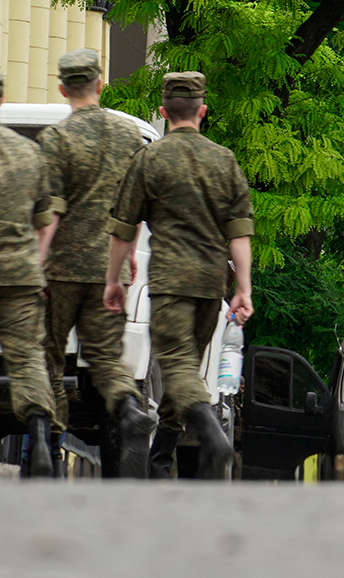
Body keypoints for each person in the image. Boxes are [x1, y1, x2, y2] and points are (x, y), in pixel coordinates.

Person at [103, 71, 254, 480]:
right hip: (210, 286)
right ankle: (159, 460)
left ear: (163, 112)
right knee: (183, 371)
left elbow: (123, 228)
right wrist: (243, 290)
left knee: (177, 368)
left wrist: (113, 280)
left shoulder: (150, 159)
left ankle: (211, 434)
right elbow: (239, 233)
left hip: (169, 283)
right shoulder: (224, 160)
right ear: (203, 111)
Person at [34, 49, 157, 478]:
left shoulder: (56, 138)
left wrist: (39, 260)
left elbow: (51, 209)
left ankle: (47, 445)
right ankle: (127, 408)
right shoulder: (128, 134)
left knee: (49, 357)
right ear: (101, 85)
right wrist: (129, 262)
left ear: (64, 88)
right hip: (111, 266)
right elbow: (135, 205)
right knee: (106, 360)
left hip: (62, 269)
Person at [0, 66, 61, 477]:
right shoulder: (30, 152)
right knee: (26, 360)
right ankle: (40, 431)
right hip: (21, 275)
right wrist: (36, 261)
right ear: (0, 100)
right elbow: (46, 219)